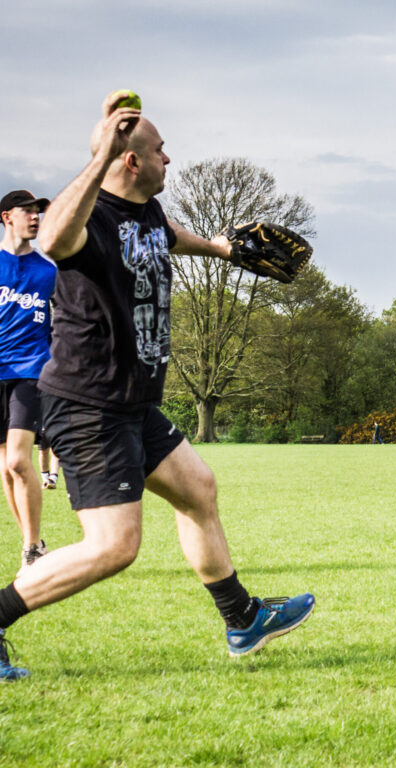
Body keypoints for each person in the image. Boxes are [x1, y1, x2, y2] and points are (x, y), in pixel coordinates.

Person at [0, 92, 314, 682]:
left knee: (198, 487)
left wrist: (221, 249)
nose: (170, 158)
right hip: (88, 406)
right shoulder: (86, 220)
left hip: (133, 403)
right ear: (131, 161)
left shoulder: (143, 213)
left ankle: (242, 618)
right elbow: (51, 242)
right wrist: (99, 156)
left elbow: (166, 234)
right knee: (113, 547)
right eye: (160, 150)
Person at [0, 190, 56, 573]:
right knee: (6, 468)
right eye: (28, 211)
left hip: (30, 370)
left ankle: (32, 548)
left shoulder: (49, 270)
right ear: (7, 217)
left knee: (20, 460)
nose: (35, 217)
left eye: (39, 212)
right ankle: (32, 545)